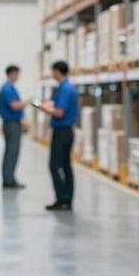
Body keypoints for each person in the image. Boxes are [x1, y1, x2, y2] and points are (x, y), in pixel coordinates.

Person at [39, 61, 78, 211]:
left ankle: (62, 198)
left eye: (53, 71)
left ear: (58, 72)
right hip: (67, 131)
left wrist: (44, 109)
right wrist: (50, 104)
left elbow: (60, 112)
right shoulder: (66, 87)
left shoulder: (65, 89)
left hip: (62, 132)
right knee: (66, 166)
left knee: (54, 166)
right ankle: (67, 199)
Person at [0, 65, 31, 189]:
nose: (18, 77)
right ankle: (8, 180)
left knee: (11, 151)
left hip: (13, 123)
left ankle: (9, 178)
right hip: (11, 124)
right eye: (17, 74)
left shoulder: (10, 88)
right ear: (12, 74)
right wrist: (28, 101)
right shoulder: (7, 89)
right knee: (12, 152)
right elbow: (15, 106)